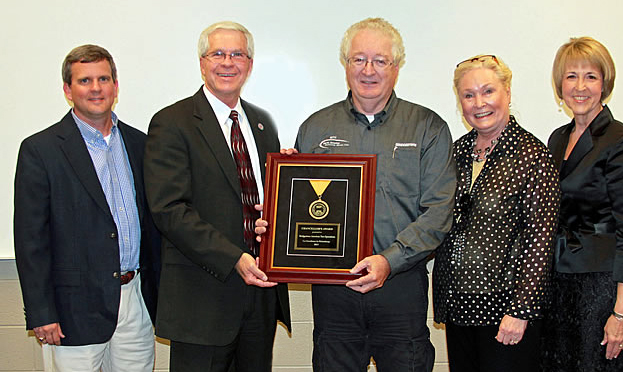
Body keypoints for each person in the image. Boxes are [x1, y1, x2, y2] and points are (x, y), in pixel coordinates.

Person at [258, 17, 456, 371]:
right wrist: (279, 202)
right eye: (358, 59)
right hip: (335, 293)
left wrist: (388, 261)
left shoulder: (428, 128)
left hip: (400, 287)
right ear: (345, 64)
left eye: (380, 60)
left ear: (396, 67)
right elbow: (303, 209)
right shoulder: (316, 128)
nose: (368, 70)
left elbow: (439, 211)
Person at [143, 21, 290, 372]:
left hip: (260, 295)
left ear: (249, 65)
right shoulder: (172, 122)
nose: (228, 62)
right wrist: (234, 257)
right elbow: (169, 210)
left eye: (237, 54)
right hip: (202, 298)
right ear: (202, 62)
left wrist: (291, 184)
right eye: (218, 54)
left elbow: (265, 202)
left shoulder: (261, 123)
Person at [13, 44, 161, 371]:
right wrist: (42, 312)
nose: (96, 88)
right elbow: (30, 240)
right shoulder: (41, 150)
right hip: (72, 310)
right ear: (68, 90)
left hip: (135, 299)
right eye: (84, 81)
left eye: (103, 79)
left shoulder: (141, 144)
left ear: (116, 86)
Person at [432, 54, 560, 372]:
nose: (479, 103)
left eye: (488, 91)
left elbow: (540, 241)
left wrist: (521, 311)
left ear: (508, 93)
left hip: (506, 311)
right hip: (459, 306)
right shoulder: (456, 152)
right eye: (468, 94)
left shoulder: (533, 156)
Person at [541, 37, 623, 372]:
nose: (580, 86)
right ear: (560, 84)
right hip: (556, 284)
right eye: (571, 76)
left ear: (605, 83)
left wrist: (622, 313)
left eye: (591, 76)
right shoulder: (557, 138)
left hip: (599, 288)